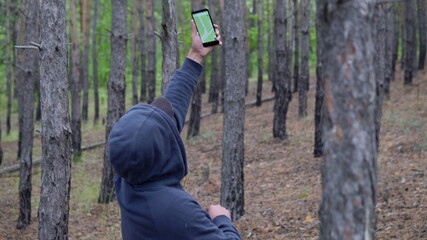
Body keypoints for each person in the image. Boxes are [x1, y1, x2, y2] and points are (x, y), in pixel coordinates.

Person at [108, 20, 242, 240]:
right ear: (161, 150)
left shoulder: (128, 177)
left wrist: (196, 55)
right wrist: (222, 220)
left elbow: (172, 112)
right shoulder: (174, 209)